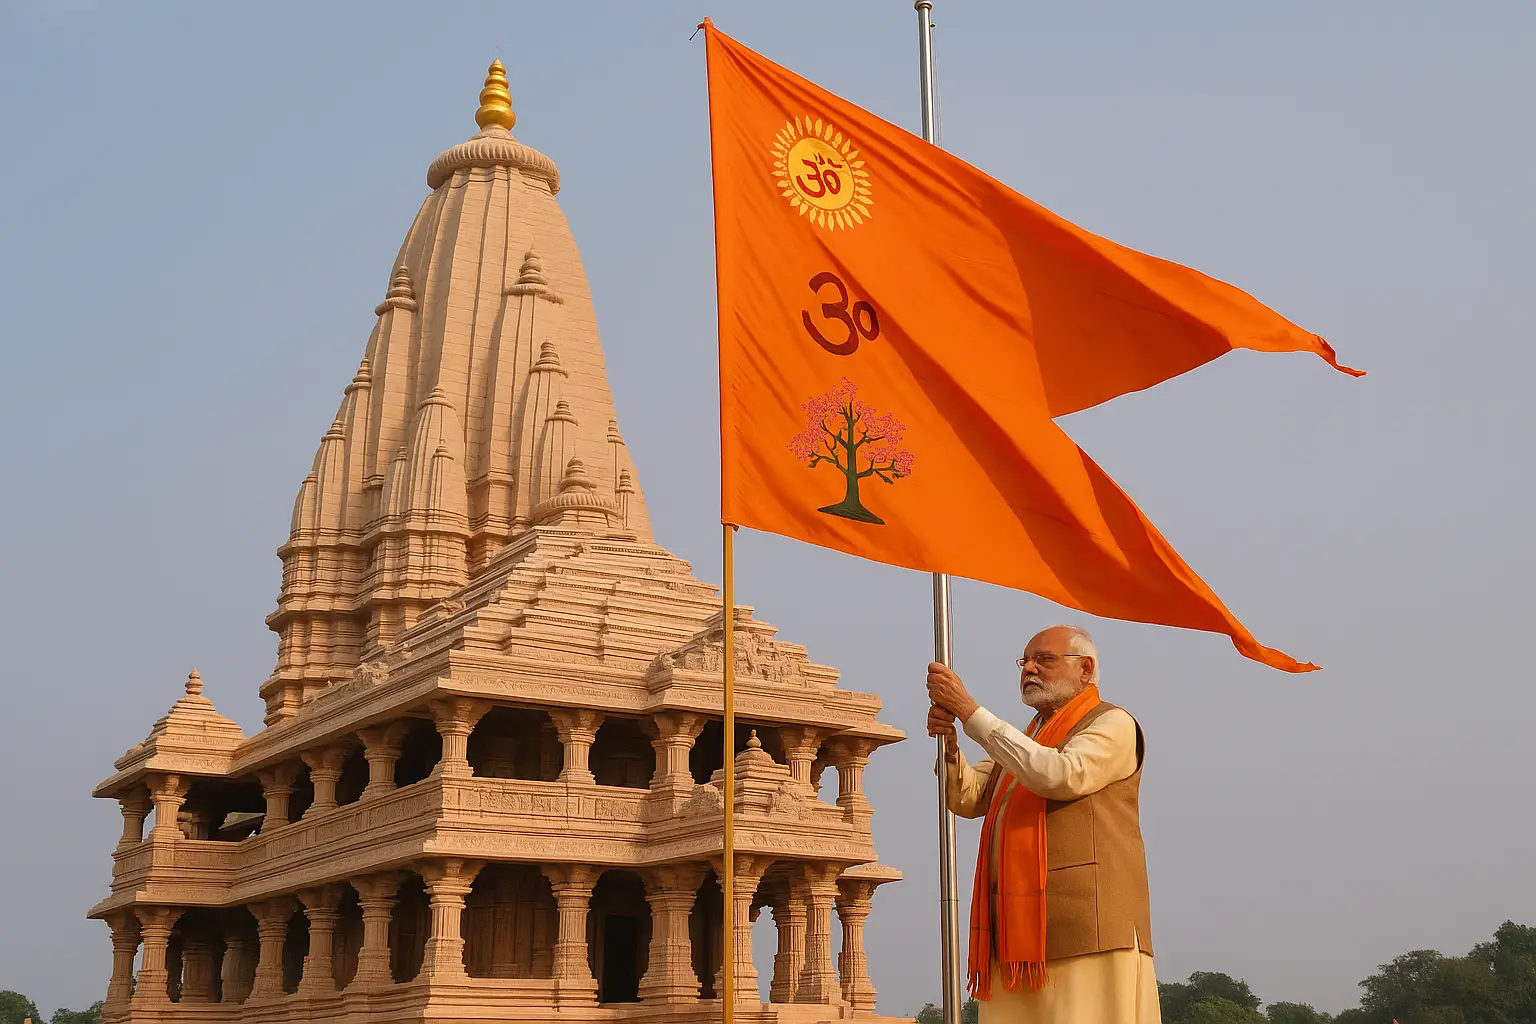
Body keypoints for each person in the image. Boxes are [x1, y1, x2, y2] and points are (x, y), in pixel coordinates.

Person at [926, 625, 1160, 1023]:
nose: (1030, 669)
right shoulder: (1028, 738)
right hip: (1017, 937)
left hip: (1090, 930)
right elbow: (967, 797)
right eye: (1025, 661)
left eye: (1045, 660)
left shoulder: (1113, 724)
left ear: (1086, 669)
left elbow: (1059, 775)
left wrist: (970, 712)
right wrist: (950, 748)